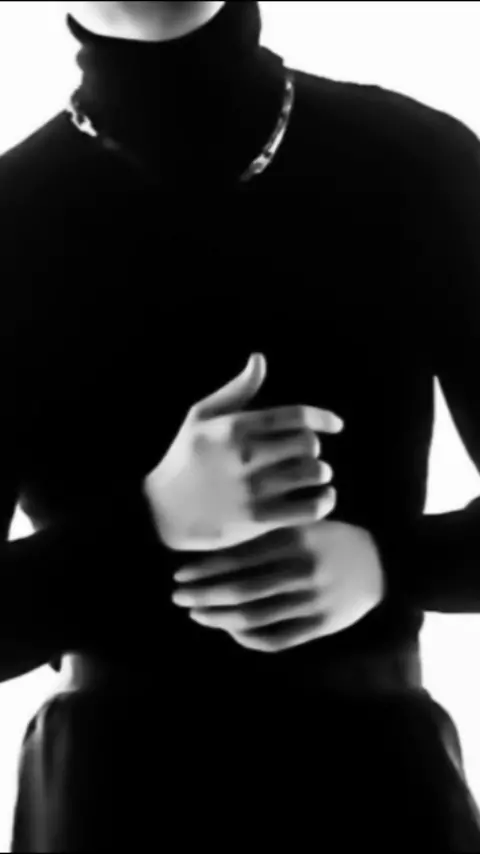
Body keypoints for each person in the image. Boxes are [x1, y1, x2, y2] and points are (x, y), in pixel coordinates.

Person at [4, 0, 480, 849]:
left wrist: (390, 565)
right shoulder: (12, 217)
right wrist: (154, 524)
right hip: (111, 806)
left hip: (379, 794)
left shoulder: (417, 160)